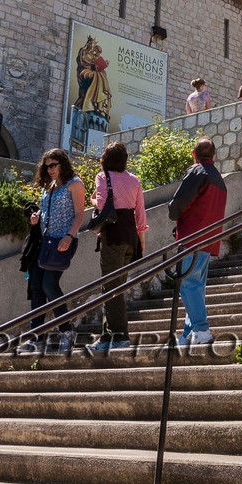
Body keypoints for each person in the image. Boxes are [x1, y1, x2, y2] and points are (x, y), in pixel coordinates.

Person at [167, 136, 227, 346]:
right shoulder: (219, 178)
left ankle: (201, 329)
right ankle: (189, 333)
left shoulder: (197, 171)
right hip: (209, 239)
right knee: (196, 286)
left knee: (188, 284)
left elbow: (178, 204)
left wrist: (174, 215)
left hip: (192, 237)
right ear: (214, 155)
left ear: (194, 155)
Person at [25, 147, 86, 351]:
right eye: (47, 166)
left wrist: (69, 236)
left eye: (53, 165)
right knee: (36, 287)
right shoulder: (49, 185)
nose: (50, 169)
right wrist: (36, 218)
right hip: (44, 241)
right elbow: (48, 211)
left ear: (63, 164)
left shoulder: (74, 184)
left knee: (49, 285)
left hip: (62, 240)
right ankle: (36, 336)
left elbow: (79, 214)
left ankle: (67, 330)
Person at [90, 138, 148, 352]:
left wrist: (93, 201)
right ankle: (107, 337)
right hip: (130, 235)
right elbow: (141, 214)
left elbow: (103, 204)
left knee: (111, 287)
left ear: (106, 159)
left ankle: (121, 336)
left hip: (112, 235)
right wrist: (142, 243)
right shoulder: (135, 180)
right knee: (116, 287)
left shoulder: (102, 177)